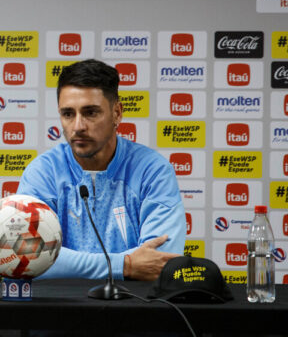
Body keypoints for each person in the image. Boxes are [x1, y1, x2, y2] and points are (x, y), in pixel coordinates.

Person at [18, 59, 185, 281]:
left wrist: (67, 264)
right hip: (58, 310)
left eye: (90, 113)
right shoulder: (43, 172)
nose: (78, 126)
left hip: (134, 308)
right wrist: (124, 266)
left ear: (117, 113)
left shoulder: (152, 171)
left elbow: (160, 261)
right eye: (68, 114)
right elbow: (27, 257)